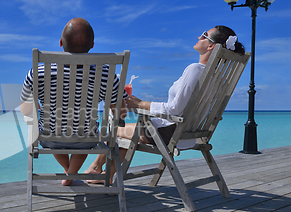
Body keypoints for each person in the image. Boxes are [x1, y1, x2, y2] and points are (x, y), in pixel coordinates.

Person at [85, 25, 245, 182]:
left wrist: (140, 104)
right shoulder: (218, 78)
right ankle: (103, 172)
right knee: (125, 135)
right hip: (191, 134)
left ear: (211, 46)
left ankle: (96, 169)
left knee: (114, 130)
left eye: (204, 35)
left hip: (169, 133)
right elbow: (181, 108)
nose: (199, 37)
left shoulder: (195, 69)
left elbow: (174, 109)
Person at [19, 18, 126, 186]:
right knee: (83, 138)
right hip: (86, 136)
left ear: (61, 42)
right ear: (92, 45)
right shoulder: (107, 74)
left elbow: (25, 109)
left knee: (53, 138)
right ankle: (71, 173)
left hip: (50, 136)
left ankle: (68, 171)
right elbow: (120, 111)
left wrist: (33, 111)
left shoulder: (38, 72)